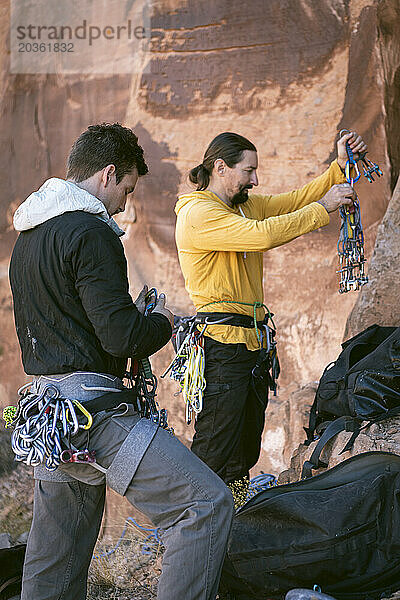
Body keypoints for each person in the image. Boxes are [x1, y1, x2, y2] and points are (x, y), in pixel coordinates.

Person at [9, 122, 234, 600]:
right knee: (205, 503)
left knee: (56, 558)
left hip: (48, 420)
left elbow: (64, 324)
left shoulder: (28, 237)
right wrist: (163, 323)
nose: (125, 206)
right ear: (108, 174)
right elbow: (120, 336)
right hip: (95, 417)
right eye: (127, 190)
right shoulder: (92, 232)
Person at [174, 130, 367, 501]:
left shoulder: (241, 205)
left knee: (244, 450)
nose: (255, 180)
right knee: (214, 449)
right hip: (222, 349)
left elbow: (290, 203)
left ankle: (235, 523)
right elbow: (261, 235)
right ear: (220, 167)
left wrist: (338, 169)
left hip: (251, 347)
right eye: (248, 171)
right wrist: (323, 207)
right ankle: (187, 533)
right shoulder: (199, 214)